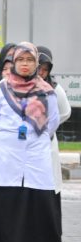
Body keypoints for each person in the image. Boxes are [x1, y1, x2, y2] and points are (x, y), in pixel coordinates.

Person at [0, 43, 67, 242]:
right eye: (21, 60)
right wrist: (6, 139)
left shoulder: (47, 91)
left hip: (36, 151)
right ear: (14, 63)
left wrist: (34, 140)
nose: (25, 64)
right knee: (5, 196)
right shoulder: (1, 89)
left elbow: (53, 122)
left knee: (38, 197)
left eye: (30, 60)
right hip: (6, 152)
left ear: (37, 64)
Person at [37, 46, 71, 225]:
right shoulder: (19, 87)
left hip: (47, 142)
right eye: (38, 67)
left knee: (49, 187)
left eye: (45, 69)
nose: (41, 72)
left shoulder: (55, 88)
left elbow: (65, 112)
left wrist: (49, 125)